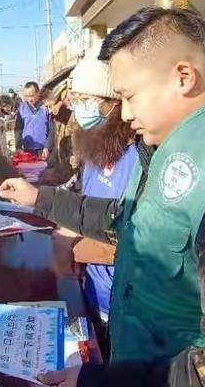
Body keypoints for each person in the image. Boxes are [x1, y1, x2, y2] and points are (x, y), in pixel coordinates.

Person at [0, 7, 205, 386]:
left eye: (129, 96)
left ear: (184, 78)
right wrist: (40, 199)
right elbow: (128, 220)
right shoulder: (168, 150)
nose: (123, 113)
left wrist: (94, 382)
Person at [66, 42, 137, 358]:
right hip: (91, 294)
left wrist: (71, 245)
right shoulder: (94, 150)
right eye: (76, 99)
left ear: (115, 103)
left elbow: (136, 241)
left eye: (88, 100)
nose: (81, 109)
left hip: (124, 306)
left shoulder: (137, 158)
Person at [15, 81, 54, 160]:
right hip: (27, 150)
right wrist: (18, 147)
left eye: (32, 96)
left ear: (38, 93)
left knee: (43, 171)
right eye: (27, 96)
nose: (30, 99)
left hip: (43, 150)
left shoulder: (46, 108)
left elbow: (52, 129)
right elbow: (18, 129)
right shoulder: (21, 109)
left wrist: (47, 147)